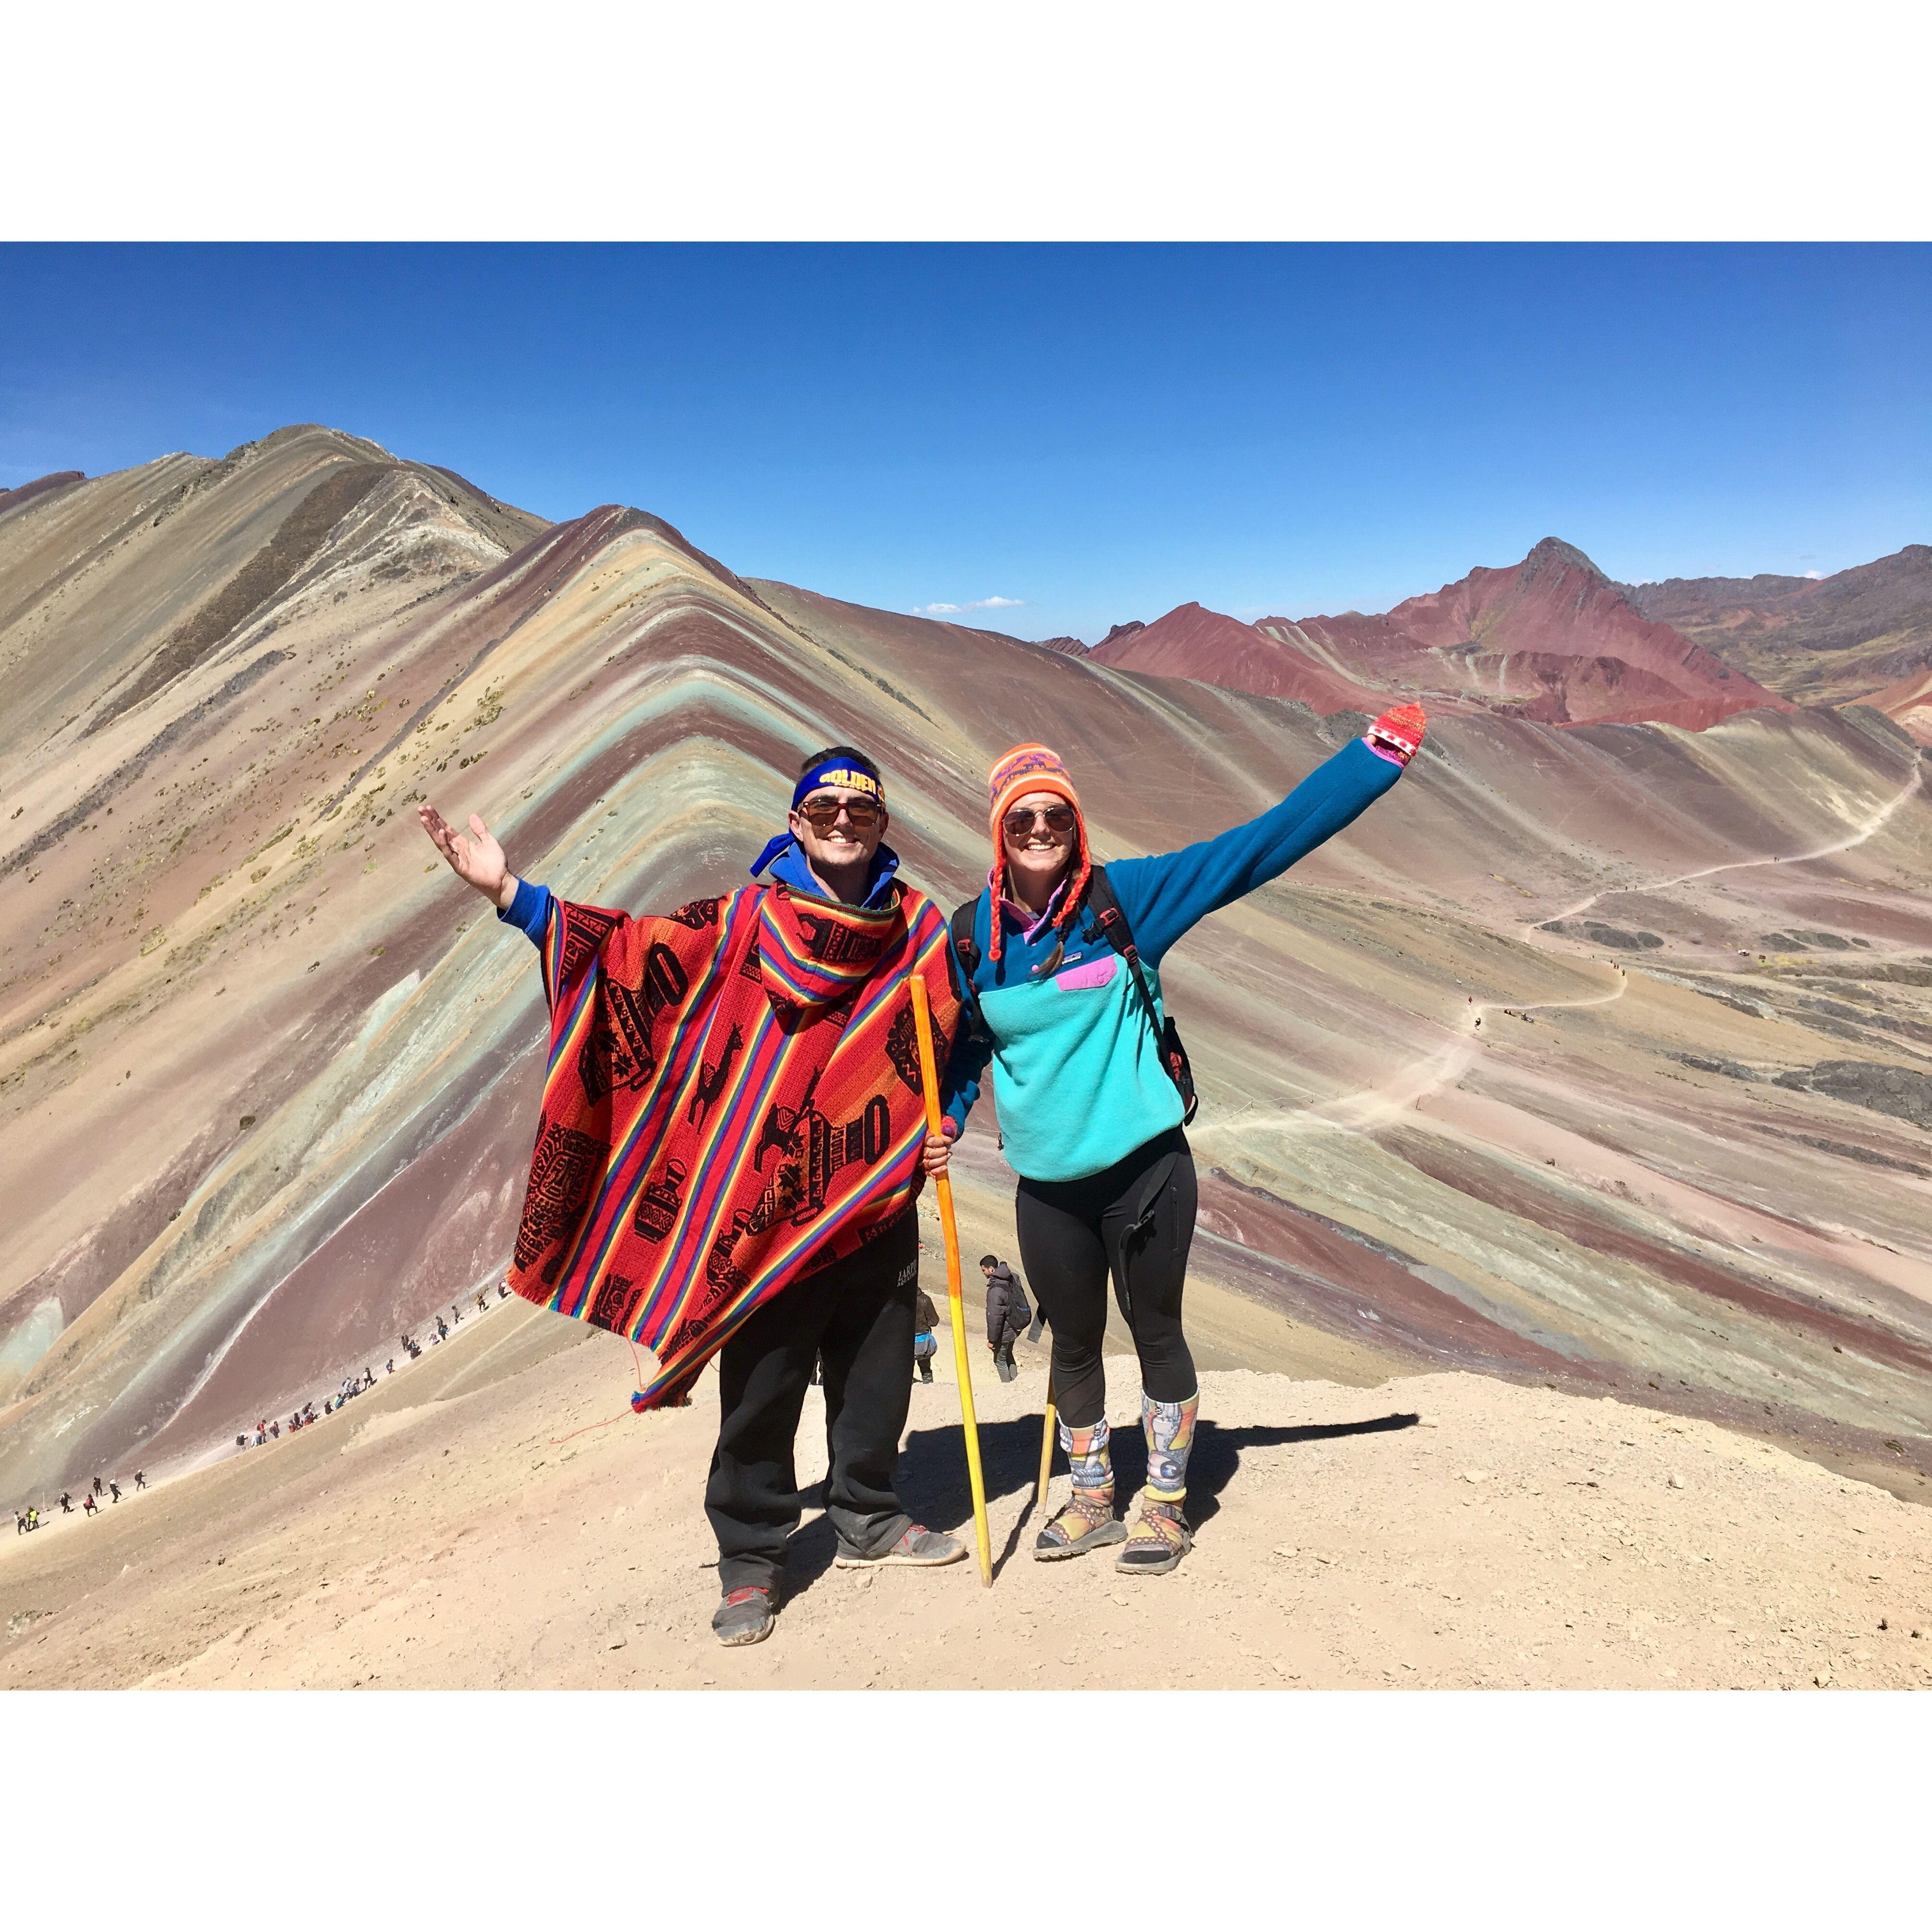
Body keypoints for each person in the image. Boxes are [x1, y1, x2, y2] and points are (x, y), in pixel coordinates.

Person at [421, 743, 969, 1649]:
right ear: (795, 822)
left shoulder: (917, 931)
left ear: (882, 829)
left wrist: (937, 1118)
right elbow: (635, 958)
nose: (841, 821)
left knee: (875, 1364)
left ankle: (868, 1510)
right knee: (765, 1379)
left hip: (872, 1190)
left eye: (859, 811)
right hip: (762, 1209)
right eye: (823, 808)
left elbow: (939, 1041)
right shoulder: (746, 920)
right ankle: (752, 1555)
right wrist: (512, 895)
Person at [927, 706, 1426, 1576]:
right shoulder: (971, 939)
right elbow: (962, 1044)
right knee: (1074, 1344)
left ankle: (1163, 1502)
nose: (1040, 831)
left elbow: (1258, 846)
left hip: (1146, 1172)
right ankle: (1091, 1497)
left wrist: (1370, 761)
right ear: (998, 834)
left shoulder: (1130, 900)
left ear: (1074, 825)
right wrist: (945, 1113)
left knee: (1155, 1331)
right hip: (1046, 1187)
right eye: (1022, 819)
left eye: (1056, 815)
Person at [981, 1254, 1030, 1382]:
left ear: (991, 1269)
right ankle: (1016, 1383)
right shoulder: (1012, 1278)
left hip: (1004, 1332)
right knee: (1008, 1355)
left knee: (1000, 1361)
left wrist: (992, 1340)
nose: (984, 1273)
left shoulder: (996, 1290)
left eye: (984, 1270)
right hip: (1014, 1327)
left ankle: (1008, 1388)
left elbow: (995, 1319)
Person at [911, 1288, 939, 1384]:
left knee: (907, 1366)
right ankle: (928, 1384)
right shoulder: (925, 1300)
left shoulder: (901, 1300)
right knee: (925, 1366)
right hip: (923, 1338)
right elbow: (934, 1322)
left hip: (906, 1339)